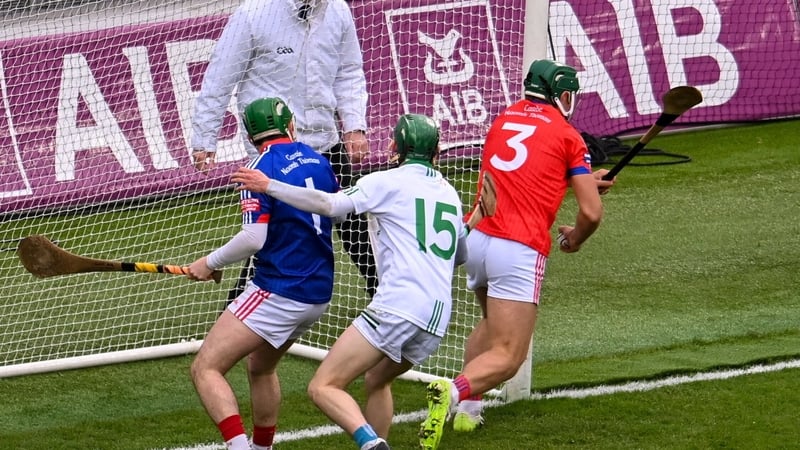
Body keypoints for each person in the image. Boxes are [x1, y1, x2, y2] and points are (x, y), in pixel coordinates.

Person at [232, 114, 491, 450]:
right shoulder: (449, 193)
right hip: (436, 317)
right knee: (376, 379)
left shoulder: (386, 181)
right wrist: (473, 222)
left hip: (398, 306)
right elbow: (457, 255)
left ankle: (371, 443)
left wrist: (269, 185)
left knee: (324, 386)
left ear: (398, 146)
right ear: (435, 151)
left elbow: (331, 205)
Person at [418, 59, 617, 450]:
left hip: (476, 238)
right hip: (519, 248)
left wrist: (581, 181)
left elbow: (526, 173)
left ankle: (468, 415)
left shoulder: (504, 119)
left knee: (492, 324)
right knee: (510, 357)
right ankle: (454, 392)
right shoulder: (567, 134)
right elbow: (591, 213)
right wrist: (575, 237)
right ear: (562, 94)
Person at [190, 0, 378, 299]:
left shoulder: (338, 10)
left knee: (354, 225)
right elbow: (219, 79)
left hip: (325, 141)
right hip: (273, 149)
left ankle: (381, 292)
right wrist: (204, 140)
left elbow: (349, 72)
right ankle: (239, 306)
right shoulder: (253, 13)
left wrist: (355, 126)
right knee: (269, 233)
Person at [186, 97, 340, 450]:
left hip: (281, 289)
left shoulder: (258, 168)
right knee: (261, 367)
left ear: (250, 132)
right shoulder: (319, 159)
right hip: (318, 293)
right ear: (289, 125)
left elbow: (254, 238)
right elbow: (339, 213)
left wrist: (208, 263)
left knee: (206, 368)